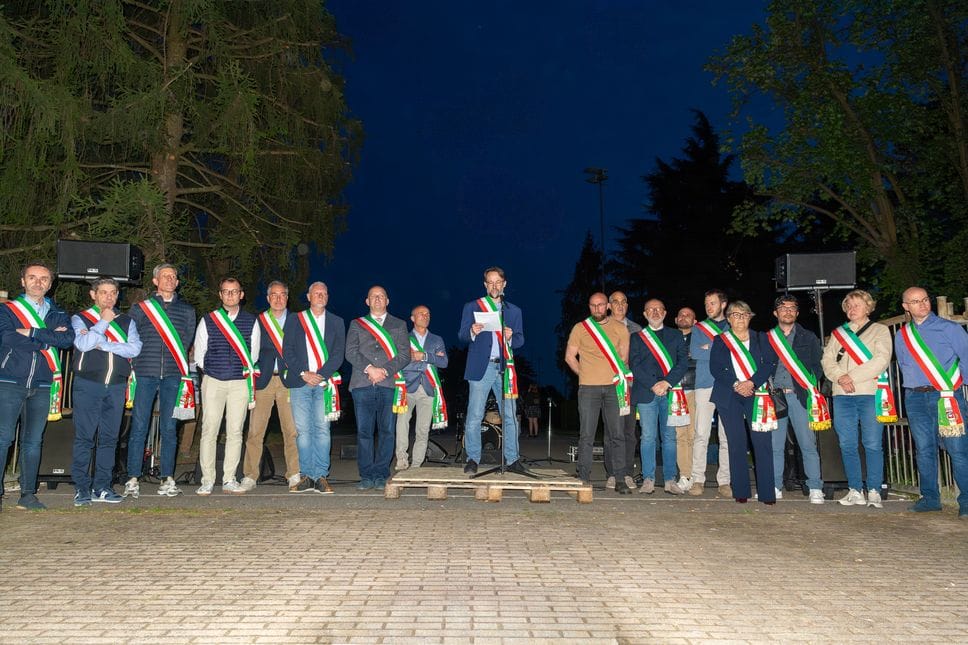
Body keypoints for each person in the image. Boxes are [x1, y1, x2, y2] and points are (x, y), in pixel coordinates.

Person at [0, 261, 74, 511]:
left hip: (42, 384)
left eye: (44, 278)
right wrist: (45, 340)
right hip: (9, 381)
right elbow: (7, 337)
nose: (38, 282)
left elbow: (66, 339)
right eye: (32, 277)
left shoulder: (58, 313)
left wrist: (30, 332)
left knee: (33, 441)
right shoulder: (7, 310)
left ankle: (28, 494)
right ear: (23, 281)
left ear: (50, 284)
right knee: (3, 438)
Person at [894, 287, 968, 518]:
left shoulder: (950, 328)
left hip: (946, 396)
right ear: (906, 307)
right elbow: (903, 365)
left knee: (958, 450)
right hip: (915, 397)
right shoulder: (902, 335)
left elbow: (966, 357)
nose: (923, 304)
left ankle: (966, 501)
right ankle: (930, 499)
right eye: (916, 301)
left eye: (925, 299)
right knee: (924, 450)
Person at [125, 263, 196, 499]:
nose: (169, 280)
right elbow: (131, 337)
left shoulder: (187, 311)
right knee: (139, 426)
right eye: (165, 276)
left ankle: (167, 478)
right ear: (155, 281)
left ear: (177, 282)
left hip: (173, 375)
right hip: (145, 372)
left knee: (169, 428)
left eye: (173, 277)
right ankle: (133, 478)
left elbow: (185, 341)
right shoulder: (140, 309)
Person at [70, 278, 142, 506]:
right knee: (85, 438)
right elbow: (83, 344)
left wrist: (105, 345)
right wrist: (103, 322)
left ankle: (102, 487)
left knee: (110, 439)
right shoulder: (81, 318)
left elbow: (135, 348)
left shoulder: (127, 321)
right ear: (93, 295)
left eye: (113, 293)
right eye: (103, 292)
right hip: (88, 385)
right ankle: (82, 488)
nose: (109, 297)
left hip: (116, 386)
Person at [821, 289, 893, 508]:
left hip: (869, 393)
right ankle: (855, 490)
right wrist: (840, 377)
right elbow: (827, 360)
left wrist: (850, 377)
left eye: (857, 305)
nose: (852, 309)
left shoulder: (880, 330)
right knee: (847, 443)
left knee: (872, 443)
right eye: (849, 306)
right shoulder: (838, 333)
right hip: (842, 395)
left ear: (868, 307)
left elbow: (881, 360)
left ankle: (874, 490)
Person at [458, 266, 529, 475]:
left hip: (505, 368)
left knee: (510, 416)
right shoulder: (472, 306)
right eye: (490, 282)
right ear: (485, 285)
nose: (494, 286)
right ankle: (473, 458)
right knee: (475, 415)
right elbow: (462, 335)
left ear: (504, 284)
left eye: (498, 282)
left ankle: (513, 459)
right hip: (481, 367)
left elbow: (520, 340)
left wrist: (511, 336)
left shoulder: (514, 311)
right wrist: (472, 331)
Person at [194, 277, 260, 495]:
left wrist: (238, 371)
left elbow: (253, 354)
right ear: (220, 294)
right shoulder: (208, 320)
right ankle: (207, 479)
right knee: (209, 431)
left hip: (240, 383)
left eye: (235, 291)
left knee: (235, 431)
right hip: (213, 381)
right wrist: (214, 369)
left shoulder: (251, 321)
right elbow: (200, 354)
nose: (230, 295)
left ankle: (229, 478)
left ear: (241, 294)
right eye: (226, 291)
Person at [709, 300, 778, 504]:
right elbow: (716, 367)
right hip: (729, 395)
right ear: (728, 319)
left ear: (750, 317)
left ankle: (767, 493)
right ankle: (741, 491)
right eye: (735, 315)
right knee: (736, 443)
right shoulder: (721, 340)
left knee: (762, 443)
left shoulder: (761, 338)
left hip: (757, 394)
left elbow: (770, 363)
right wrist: (736, 383)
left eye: (744, 314)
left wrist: (752, 383)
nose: (740, 318)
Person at [564, 292, 632, 492]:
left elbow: (624, 359)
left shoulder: (620, 328)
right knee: (587, 434)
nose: (597, 309)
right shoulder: (580, 328)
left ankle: (620, 478)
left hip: (614, 388)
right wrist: (584, 374)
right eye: (593, 305)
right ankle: (584, 476)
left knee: (617, 434)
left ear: (608, 306)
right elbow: (569, 357)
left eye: (601, 305)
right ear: (589, 307)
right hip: (588, 389)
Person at [282, 281, 345, 494]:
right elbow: (287, 350)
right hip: (300, 382)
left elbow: (338, 354)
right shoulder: (295, 319)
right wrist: (304, 373)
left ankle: (321, 476)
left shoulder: (337, 322)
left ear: (327, 297)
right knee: (302, 431)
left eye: (324, 293)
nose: (320, 296)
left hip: (324, 384)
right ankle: (307, 475)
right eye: (316, 293)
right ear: (308, 297)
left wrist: (320, 375)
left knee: (322, 429)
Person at [345, 285, 410, 490]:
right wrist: (370, 369)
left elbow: (404, 355)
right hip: (362, 383)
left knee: (387, 431)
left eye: (381, 296)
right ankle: (366, 475)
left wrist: (384, 371)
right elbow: (350, 351)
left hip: (388, 384)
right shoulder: (357, 324)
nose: (378, 299)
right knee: (364, 432)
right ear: (367, 301)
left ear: (387, 301)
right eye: (373, 296)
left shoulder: (399, 324)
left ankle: (381, 474)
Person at [765, 295, 826, 504]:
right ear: (776, 313)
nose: (788, 311)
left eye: (792, 308)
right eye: (783, 308)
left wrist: (809, 384)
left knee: (807, 444)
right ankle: (774, 486)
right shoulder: (767, 338)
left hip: (800, 396)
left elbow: (818, 366)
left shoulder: (808, 337)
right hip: (775, 397)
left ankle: (815, 487)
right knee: (775, 445)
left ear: (797, 313)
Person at [242, 280, 300, 492]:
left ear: (287, 297)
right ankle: (250, 475)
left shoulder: (298, 321)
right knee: (255, 431)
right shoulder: (258, 321)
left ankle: (294, 473)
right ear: (268, 298)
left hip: (288, 380)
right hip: (264, 381)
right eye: (274, 295)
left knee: (291, 430)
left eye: (282, 294)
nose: (278, 298)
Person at [629, 299, 688, 494]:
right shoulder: (637, 337)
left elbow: (682, 363)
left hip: (670, 392)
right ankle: (648, 479)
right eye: (650, 310)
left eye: (658, 309)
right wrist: (653, 385)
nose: (654, 312)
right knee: (647, 437)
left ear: (665, 313)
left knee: (670, 437)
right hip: (647, 392)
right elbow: (635, 365)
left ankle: (670, 479)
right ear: (645, 314)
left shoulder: (676, 335)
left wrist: (666, 382)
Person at [688, 289, 732, 497]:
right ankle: (697, 479)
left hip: (728, 385)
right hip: (704, 384)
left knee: (727, 435)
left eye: (712, 303)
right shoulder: (698, 328)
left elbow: (736, 352)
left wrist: (709, 347)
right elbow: (695, 352)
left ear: (723, 304)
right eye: (706, 304)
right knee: (701, 434)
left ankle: (725, 481)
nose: (708, 307)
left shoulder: (733, 325)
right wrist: (720, 347)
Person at [395, 305, 449, 470]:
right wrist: (430, 360)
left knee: (423, 429)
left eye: (428, 314)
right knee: (402, 424)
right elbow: (399, 362)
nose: (425, 317)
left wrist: (423, 356)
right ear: (412, 318)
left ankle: (416, 465)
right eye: (421, 314)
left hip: (428, 388)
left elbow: (444, 362)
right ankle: (401, 459)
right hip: (406, 388)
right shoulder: (403, 338)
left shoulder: (437, 339)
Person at [605, 290, 642, 489]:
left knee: (629, 432)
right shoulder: (600, 329)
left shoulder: (637, 330)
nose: (620, 305)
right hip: (608, 387)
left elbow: (642, 360)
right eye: (615, 301)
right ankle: (612, 473)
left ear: (627, 305)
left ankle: (627, 473)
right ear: (609, 306)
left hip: (630, 388)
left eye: (623, 302)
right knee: (611, 432)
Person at [674, 306, 698, 492]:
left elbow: (701, 359)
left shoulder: (700, 338)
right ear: (676, 320)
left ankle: (696, 475)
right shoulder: (668, 338)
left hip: (695, 389)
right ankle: (685, 474)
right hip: (675, 391)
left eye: (688, 315)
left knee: (694, 434)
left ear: (695, 321)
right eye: (681, 315)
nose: (684, 317)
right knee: (680, 435)